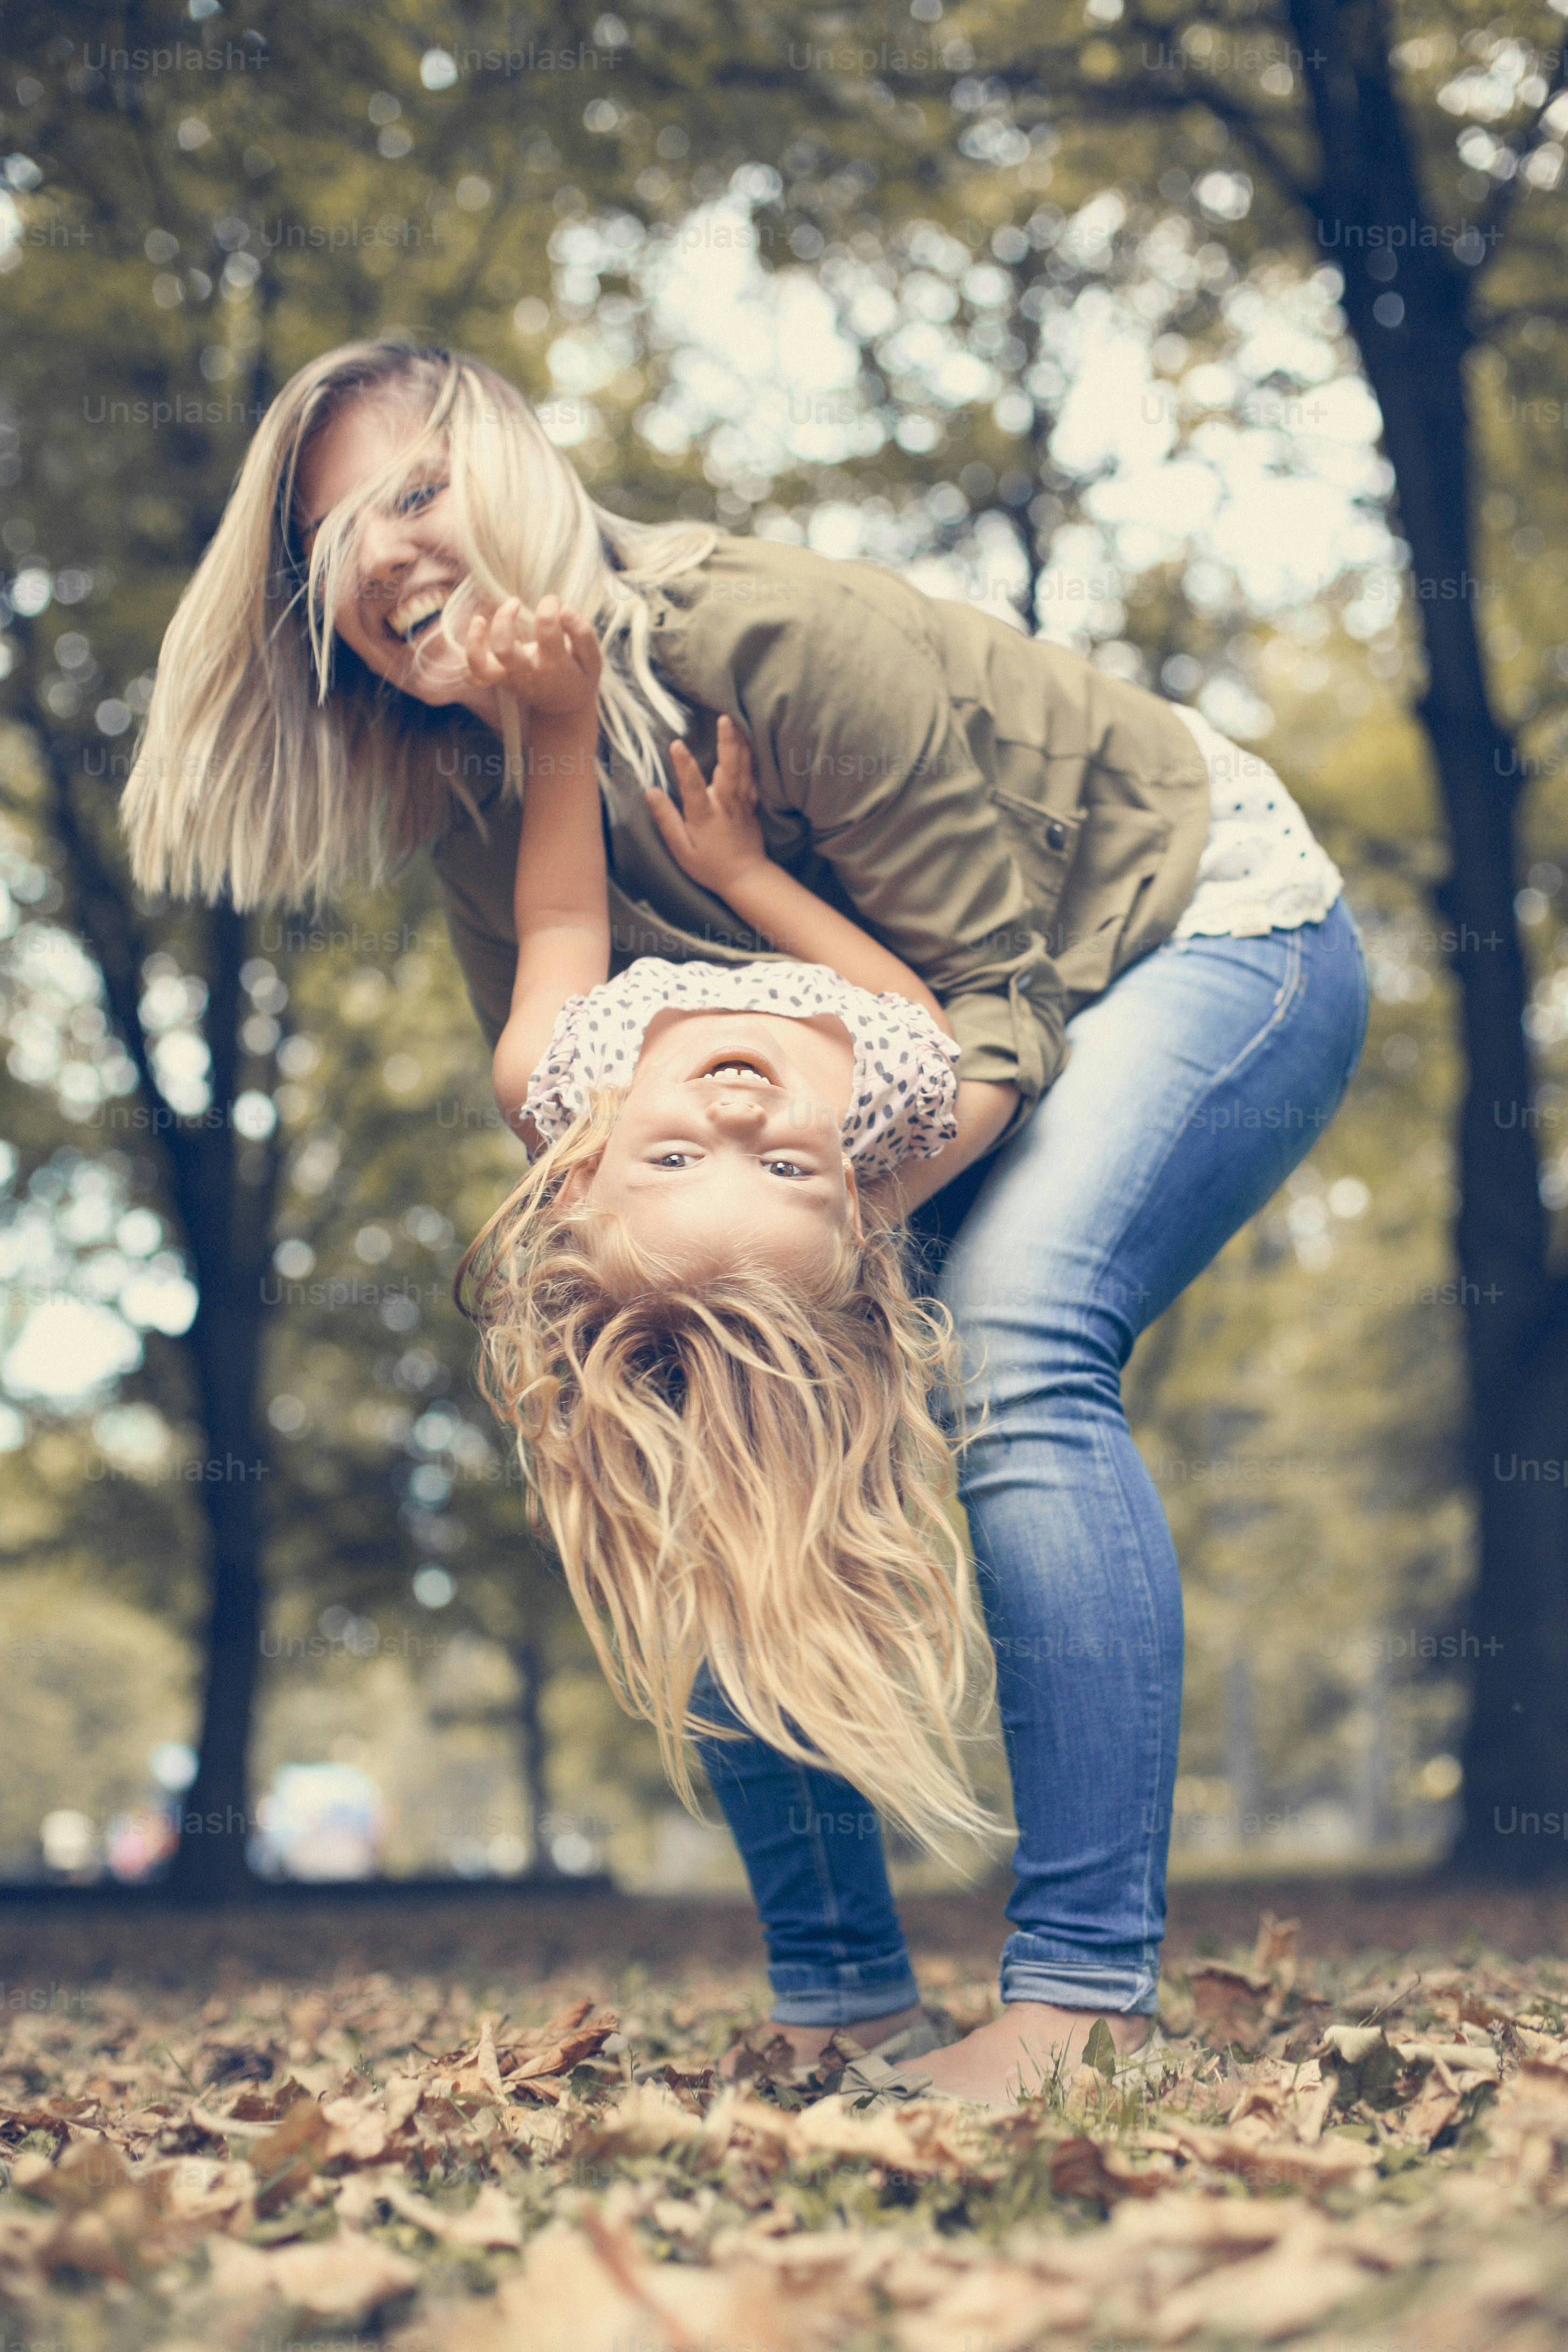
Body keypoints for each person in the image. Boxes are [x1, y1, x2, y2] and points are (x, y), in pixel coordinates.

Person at [121, 338, 1369, 2106]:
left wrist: (805, 1202)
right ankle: (847, 1989)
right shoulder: (483, 807)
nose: (390, 551)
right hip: (894, 1075)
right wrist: (680, 1275)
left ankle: (1083, 1990)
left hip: (1193, 936)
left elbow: (995, 1009)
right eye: (338, 554)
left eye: (415, 488)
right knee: (689, 1389)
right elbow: (577, 1095)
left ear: (522, 460)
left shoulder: (768, 641)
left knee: (1011, 1335)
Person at [451, 587, 992, 1858]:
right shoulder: (891, 1096)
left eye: (681, 1154)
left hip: (628, 819)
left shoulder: (558, 1076)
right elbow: (907, 1003)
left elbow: (564, 920)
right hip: (767, 867)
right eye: (790, 1169)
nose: (743, 1111)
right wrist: (747, 877)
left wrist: (565, 719)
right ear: (854, 1197)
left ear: (583, 1179)